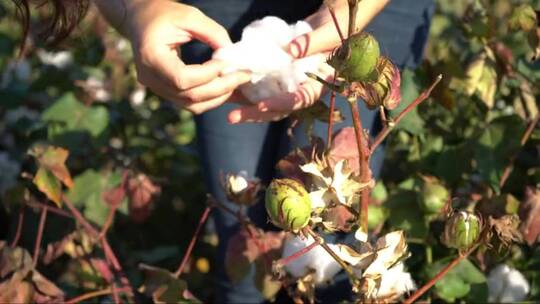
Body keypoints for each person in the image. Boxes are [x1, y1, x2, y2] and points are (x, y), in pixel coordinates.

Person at [13, 0, 434, 302]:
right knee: (244, 246)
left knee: (328, 254)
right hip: (222, 19)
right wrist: (138, 9)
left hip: (365, 18)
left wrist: (351, 8)